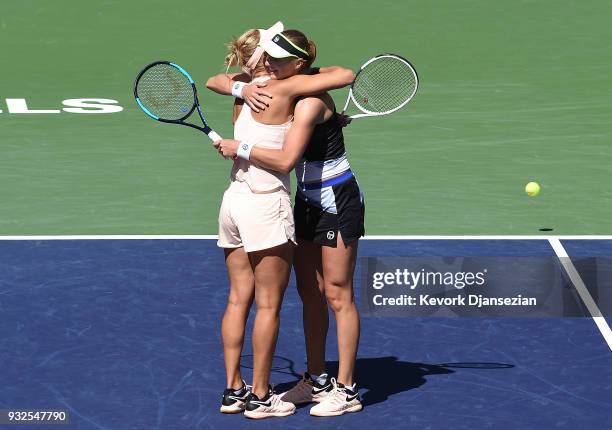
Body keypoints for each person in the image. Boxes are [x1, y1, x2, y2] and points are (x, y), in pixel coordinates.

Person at [206, 23, 355, 419]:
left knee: (239, 299)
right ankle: (259, 396)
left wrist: (240, 88)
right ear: (262, 58)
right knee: (269, 305)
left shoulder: (242, 86)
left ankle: (233, 390)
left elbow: (214, 80)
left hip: (232, 202)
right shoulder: (287, 89)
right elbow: (345, 75)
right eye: (269, 53)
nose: (272, 59)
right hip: (265, 204)